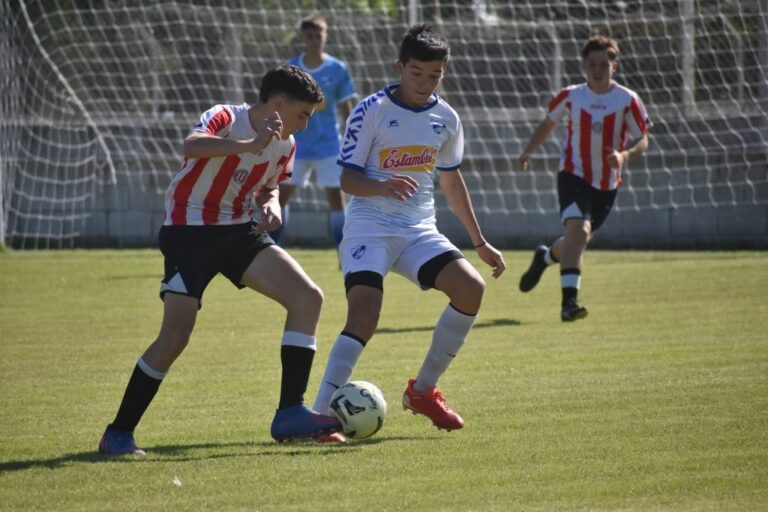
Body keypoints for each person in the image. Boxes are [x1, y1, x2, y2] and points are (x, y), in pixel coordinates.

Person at [98, 64, 342, 454]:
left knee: (307, 298)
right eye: (303, 115)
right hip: (188, 233)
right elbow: (192, 145)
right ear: (278, 103)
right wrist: (249, 145)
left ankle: (290, 413)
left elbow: (270, 187)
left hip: (238, 232)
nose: (306, 125)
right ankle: (118, 434)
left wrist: (272, 205)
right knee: (176, 336)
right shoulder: (226, 116)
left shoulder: (288, 144)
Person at [311, 25, 506, 443]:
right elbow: (346, 179)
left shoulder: (447, 118)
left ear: (443, 73)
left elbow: (452, 183)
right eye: (416, 73)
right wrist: (382, 186)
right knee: (364, 316)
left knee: (470, 289)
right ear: (400, 67)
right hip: (369, 227)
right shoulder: (372, 109)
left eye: (433, 75)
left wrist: (480, 242)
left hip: (418, 230)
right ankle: (320, 416)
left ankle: (422, 391)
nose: (423, 83)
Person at [515, 35, 651, 322]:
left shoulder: (628, 100)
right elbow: (548, 124)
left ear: (614, 66)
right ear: (583, 66)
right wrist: (528, 151)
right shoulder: (571, 96)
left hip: (607, 182)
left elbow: (643, 140)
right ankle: (569, 304)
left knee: (575, 240)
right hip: (572, 174)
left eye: (604, 63)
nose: (597, 69)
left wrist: (625, 156)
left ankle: (545, 257)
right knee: (580, 231)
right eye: (592, 64)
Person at [270, 14, 357, 249]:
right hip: (294, 145)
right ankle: (271, 247)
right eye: (309, 35)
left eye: (318, 35)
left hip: (328, 146)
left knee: (337, 201)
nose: (314, 39)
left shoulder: (338, 69)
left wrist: (354, 141)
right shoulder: (291, 69)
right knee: (280, 197)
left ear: (325, 37)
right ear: (303, 37)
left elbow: (346, 108)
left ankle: (344, 251)